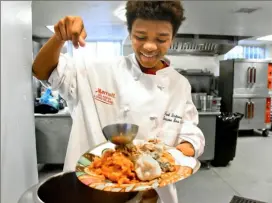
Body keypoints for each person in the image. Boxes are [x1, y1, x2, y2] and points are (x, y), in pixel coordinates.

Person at [32, 1, 205, 203]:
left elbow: (190, 132)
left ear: (173, 38)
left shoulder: (179, 84)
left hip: (152, 195)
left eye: (161, 39)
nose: (149, 46)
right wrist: (59, 37)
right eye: (140, 37)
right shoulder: (100, 70)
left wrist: (176, 155)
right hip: (91, 191)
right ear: (129, 33)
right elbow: (41, 71)